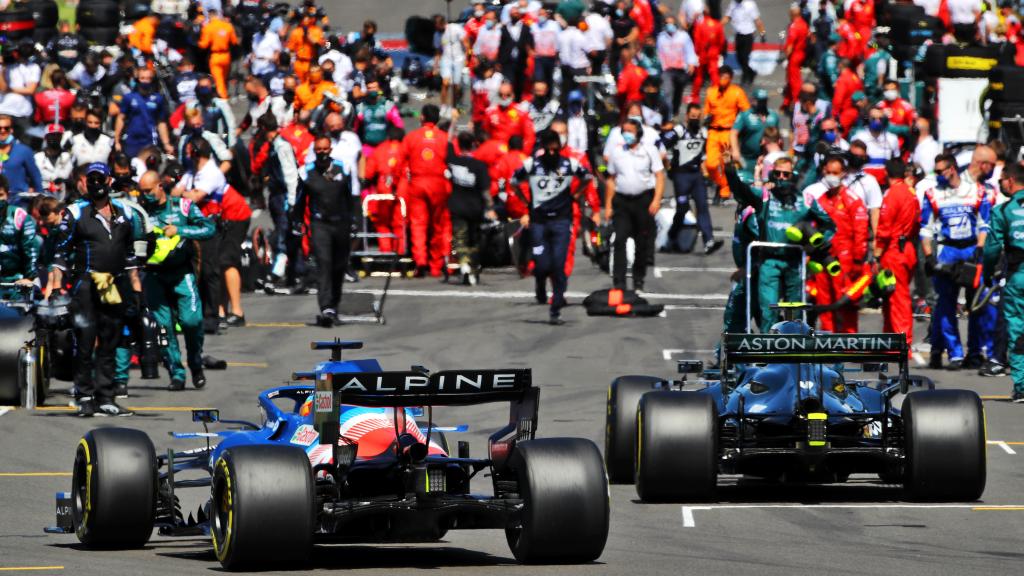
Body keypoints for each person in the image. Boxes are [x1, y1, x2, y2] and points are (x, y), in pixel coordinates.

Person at [50, 163, 142, 417]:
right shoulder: (75, 212)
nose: (96, 183)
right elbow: (60, 253)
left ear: (109, 180)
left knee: (111, 340)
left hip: (115, 284)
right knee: (85, 339)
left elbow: (131, 255)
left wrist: (136, 292)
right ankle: (84, 395)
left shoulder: (126, 212)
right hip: (86, 284)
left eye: (100, 178)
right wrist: (56, 287)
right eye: (91, 179)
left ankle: (106, 396)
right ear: (84, 183)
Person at [727, 152, 836, 329]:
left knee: (796, 314)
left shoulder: (806, 200)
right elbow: (740, 190)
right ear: (772, 175)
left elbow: (830, 226)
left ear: (793, 176)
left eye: (786, 174)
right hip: (769, 261)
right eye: (777, 174)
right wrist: (729, 169)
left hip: (795, 262)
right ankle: (766, 353)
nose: (781, 178)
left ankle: (793, 353)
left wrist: (812, 248)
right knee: (768, 311)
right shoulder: (763, 197)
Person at [138, 170, 216, 390]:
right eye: (142, 192)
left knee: (192, 320)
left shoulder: (183, 206)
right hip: (152, 274)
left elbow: (208, 228)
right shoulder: (140, 211)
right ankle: (176, 373)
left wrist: (179, 230)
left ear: (160, 186)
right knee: (163, 326)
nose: (146, 196)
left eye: (149, 191)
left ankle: (196, 362)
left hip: (181, 272)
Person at [921, 154, 993, 370]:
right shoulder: (932, 193)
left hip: (971, 248)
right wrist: (929, 256)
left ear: (952, 169)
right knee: (945, 304)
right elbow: (925, 228)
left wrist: (980, 249)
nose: (939, 175)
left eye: (941, 170)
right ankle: (954, 353)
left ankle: (974, 352)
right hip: (947, 250)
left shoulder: (976, 191)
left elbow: (985, 224)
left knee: (977, 304)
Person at [512, 130, 591, 324]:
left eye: (556, 150)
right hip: (538, 222)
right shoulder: (532, 165)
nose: (553, 154)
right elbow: (513, 181)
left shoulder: (569, 164)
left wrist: (576, 195)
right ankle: (540, 282)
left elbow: (588, 177)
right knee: (541, 264)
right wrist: (525, 201)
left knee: (558, 265)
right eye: (549, 150)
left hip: (561, 222)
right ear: (543, 149)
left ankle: (555, 308)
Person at [802, 154, 870, 333]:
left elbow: (861, 232)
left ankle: (848, 342)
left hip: (845, 260)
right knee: (824, 300)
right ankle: (828, 341)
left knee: (845, 301)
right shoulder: (822, 199)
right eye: (829, 172)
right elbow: (811, 226)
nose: (831, 176)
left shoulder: (853, 200)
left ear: (843, 174)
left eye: (836, 172)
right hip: (823, 257)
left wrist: (857, 260)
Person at [295, 136, 352, 327]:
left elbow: (350, 196)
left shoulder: (342, 168)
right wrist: (297, 221)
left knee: (339, 266)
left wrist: (355, 220)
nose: (322, 153)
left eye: (325, 149)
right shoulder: (306, 172)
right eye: (318, 150)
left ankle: (334, 305)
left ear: (330, 149)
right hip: (320, 224)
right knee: (324, 263)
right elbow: (300, 200)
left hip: (341, 223)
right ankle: (326, 307)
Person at [605, 118, 665, 292]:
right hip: (622, 202)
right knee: (620, 240)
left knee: (642, 242)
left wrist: (656, 200)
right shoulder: (617, 152)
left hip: (643, 201)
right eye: (624, 131)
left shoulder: (649, 151)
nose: (626, 134)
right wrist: (608, 205)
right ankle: (619, 282)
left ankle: (639, 279)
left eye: (630, 131)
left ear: (638, 133)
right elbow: (611, 179)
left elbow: (659, 176)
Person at [982, 161, 1024, 402]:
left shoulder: (1002, 211)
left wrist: (988, 273)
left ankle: (1022, 385)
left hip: (1018, 276)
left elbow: (992, 249)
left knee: (1018, 330)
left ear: (1010, 181)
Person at [662, 103, 722, 255]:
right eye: (693, 116)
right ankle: (671, 236)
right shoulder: (679, 130)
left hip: (696, 176)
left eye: (698, 116)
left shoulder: (703, 132)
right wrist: (668, 167)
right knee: (682, 208)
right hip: (681, 175)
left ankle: (708, 241)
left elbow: (701, 156)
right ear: (687, 116)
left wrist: (707, 175)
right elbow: (661, 146)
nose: (695, 119)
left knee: (702, 206)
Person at [874, 159, 920, 348]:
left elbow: (884, 228)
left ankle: (902, 344)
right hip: (907, 249)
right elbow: (917, 223)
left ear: (887, 173)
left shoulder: (893, 194)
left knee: (897, 299)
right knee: (891, 298)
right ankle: (891, 342)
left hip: (894, 252)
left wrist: (876, 255)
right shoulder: (911, 194)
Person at [402, 104, 451, 277]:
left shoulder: (411, 137)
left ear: (422, 117)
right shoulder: (444, 138)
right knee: (438, 225)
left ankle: (420, 260)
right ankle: (437, 264)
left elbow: (402, 160)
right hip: (439, 184)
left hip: (417, 183)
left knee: (418, 224)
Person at [447, 132, 495, 285]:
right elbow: (486, 191)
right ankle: (473, 269)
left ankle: (465, 264)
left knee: (459, 239)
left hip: (457, 206)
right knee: (474, 241)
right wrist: (490, 208)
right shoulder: (480, 166)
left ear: (458, 145)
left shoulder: (453, 161)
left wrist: (454, 122)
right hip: (475, 208)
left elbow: (447, 143)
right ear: (474, 145)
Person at [703, 66, 749, 200]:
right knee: (710, 164)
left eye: (725, 77)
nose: (722, 79)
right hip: (713, 131)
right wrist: (707, 117)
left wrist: (741, 128)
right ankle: (721, 183)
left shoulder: (737, 92)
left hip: (728, 132)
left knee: (726, 164)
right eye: (720, 76)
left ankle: (725, 190)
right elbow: (706, 111)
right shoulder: (711, 92)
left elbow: (746, 112)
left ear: (730, 78)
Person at [363, 126, 408, 255]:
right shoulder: (405, 149)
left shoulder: (380, 149)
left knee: (382, 222)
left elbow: (369, 173)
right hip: (402, 188)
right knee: (400, 223)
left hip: (384, 188)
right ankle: (400, 251)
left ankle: (386, 250)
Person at [114, 67, 174, 158]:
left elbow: (161, 122)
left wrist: (166, 143)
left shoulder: (158, 99)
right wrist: (117, 141)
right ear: (137, 79)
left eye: (148, 78)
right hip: (132, 140)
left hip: (150, 140)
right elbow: (121, 118)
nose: (145, 81)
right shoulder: (129, 98)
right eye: (142, 78)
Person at [730, 89, 779, 185]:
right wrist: (735, 150)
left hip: (767, 158)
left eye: (764, 101)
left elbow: (778, 135)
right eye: (760, 101)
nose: (762, 104)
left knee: (767, 184)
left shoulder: (773, 116)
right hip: (748, 158)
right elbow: (733, 133)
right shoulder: (745, 115)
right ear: (753, 100)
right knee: (747, 184)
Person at [656, 14, 698, 117]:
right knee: (667, 91)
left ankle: (675, 110)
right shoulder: (661, 37)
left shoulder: (683, 36)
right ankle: (668, 115)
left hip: (681, 70)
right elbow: (658, 53)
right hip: (667, 70)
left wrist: (691, 63)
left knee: (678, 92)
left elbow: (690, 50)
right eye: (667, 23)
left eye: (672, 23)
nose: (670, 25)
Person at [0, 175, 39, 286]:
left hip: (15, 280)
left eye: (0, 195)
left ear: (7, 195)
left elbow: (30, 247)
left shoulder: (19, 215)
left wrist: (30, 277)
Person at [0, 40, 41, 140]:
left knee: (24, 141)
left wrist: (10, 90)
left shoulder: (34, 67)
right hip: (4, 110)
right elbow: (3, 87)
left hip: (23, 112)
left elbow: (30, 90)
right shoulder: (6, 67)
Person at [484, 82, 536, 159]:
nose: (504, 97)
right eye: (501, 95)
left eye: (507, 95)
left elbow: (530, 137)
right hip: (494, 155)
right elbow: (485, 135)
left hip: (513, 155)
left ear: (512, 95)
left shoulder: (521, 113)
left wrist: (522, 155)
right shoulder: (490, 112)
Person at [198, 9, 240, 99]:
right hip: (226, 55)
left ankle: (223, 97)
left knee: (218, 80)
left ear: (210, 16)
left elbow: (204, 45)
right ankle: (224, 93)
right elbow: (234, 41)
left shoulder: (208, 27)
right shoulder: (228, 26)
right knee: (224, 78)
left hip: (215, 56)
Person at [723, 0, 766, 86]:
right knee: (739, 57)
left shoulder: (750, 4)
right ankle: (752, 72)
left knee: (744, 57)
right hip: (738, 35)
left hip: (748, 35)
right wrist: (717, 26)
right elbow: (727, 17)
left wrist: (762, 34)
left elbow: (757, 20)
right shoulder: (733, 4)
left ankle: (745, 78)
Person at [0, 115, 42, 201]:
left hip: (19, 200)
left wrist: (39, 199)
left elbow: (35, 176)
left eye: (6, 128)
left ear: (11, 130)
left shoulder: (24, 151)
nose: (2, 131)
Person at [690, 5, 725, 101]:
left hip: (702, 53)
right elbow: (721, 41)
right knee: (714, 74)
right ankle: (718, 94)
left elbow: (696, 41)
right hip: (714, 53)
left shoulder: (700, 25)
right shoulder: (717, 25)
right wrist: (718, 50)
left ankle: (695, 96)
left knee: (699, 75)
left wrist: (697, 52)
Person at [781, 4, 809, 110]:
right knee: (791, 78)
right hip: (801, 53)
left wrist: (786, 58)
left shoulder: (794, 26)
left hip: (794, 56)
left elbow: (790, 46)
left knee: (794, 80)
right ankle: (788, 99)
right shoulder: (803, 24)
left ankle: (797, 101)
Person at [35, 125, 74, 199]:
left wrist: (65, 181)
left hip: (64, 199)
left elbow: (73, 179)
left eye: (58, 135)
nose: (54, 138)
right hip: (43, 199)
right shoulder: (37, 157)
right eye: (51, 135)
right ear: (45, 137)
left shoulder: (68, 157)